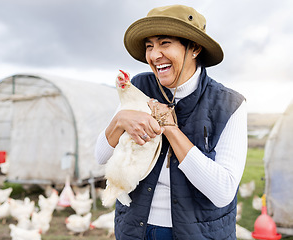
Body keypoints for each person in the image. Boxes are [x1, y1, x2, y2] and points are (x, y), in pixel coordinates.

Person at [95, 4, 247, 240]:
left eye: (165, 43)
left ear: (194, 48)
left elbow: (223, 191)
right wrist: (120, 121)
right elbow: (100, 157)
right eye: (149, 46)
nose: (155, 55)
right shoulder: (139, 87)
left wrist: (170, 129)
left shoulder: (229, 104)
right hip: (136, 229)